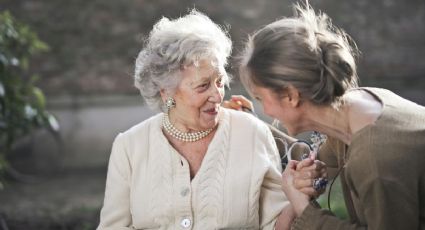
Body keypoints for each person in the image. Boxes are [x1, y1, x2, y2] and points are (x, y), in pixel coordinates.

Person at [97, 10, 325, 230]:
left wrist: (297, 194)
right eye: (203, 86)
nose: (217, 95)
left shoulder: (251, 133)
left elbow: (275, 225)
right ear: (166, 92)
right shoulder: (129, 147)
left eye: (219, 81)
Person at [239, 2, 425, 230]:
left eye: (260, 98)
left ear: (290, 96)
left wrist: (304, 209)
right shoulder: (360, 105)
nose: (266, 111)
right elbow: (324, 163)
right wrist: (307, 180)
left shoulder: (375, 162)